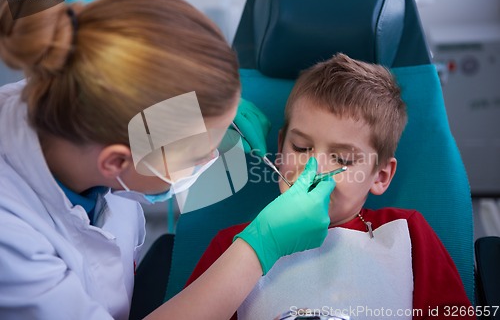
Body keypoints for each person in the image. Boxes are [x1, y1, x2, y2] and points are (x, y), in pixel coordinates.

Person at [0, 0, 335, 320]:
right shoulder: (11, 242)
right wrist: (261, 246)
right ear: (115, 162)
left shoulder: (73, 84)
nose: (210, 161)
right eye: (197, 156)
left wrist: (210, 111)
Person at [186, 53, 474, 320]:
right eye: (301, 147)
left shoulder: (407, 234)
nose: (315, 169)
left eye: (342, 158)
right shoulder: (234, 245)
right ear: (280, 147)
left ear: (380, 176)